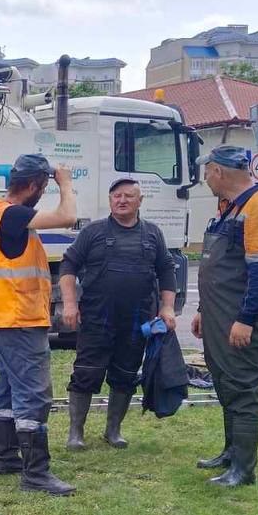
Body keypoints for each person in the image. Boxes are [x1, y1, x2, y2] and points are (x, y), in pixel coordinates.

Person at [191, 145, 258, 486]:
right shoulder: (229, 207)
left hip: (239, 317)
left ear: (219, 171)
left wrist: (246, 319)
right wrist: (203, 310)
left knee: (242, 387)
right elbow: (218, 267)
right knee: (224, 382)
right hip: (218, 315)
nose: (205, 179)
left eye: (207, 172)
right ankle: (231, 452)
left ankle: (243, 470)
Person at [0, 154, 77, 495]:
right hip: (22, 317)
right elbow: (69, 216)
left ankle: (7, 458)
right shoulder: (15, 215)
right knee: (34, 394)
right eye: (44, 187)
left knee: (8, 388)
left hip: (8, 317)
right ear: (35, 186)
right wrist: (65, 181)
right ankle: (36, 475)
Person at [59, 179, 178, 450]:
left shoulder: (152, 234)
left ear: (140, 201)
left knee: (125, 375)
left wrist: (167, 307)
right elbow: (69, 265)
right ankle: (75, 433)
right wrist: (69, 304)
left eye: (128, 196)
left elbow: (167, 270)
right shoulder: (94, 231)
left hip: (136, 320)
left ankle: (113, 431)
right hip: (97, 317)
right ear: (110, 200)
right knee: (86, 374)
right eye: (116, 196)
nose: (121, 200)